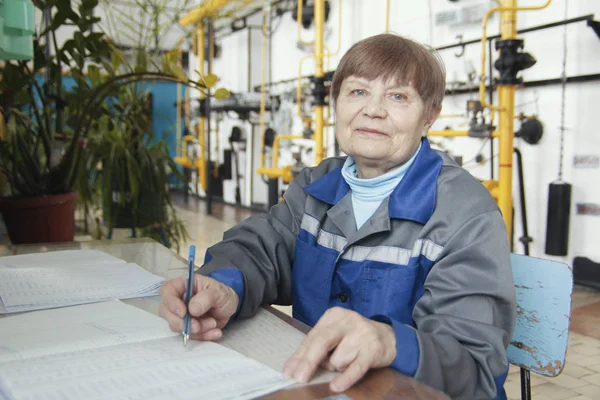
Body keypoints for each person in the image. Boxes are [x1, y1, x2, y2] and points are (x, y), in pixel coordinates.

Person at [159, 33, 516, 400]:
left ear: (429, 115)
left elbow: (475, 369)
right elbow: (264, 248)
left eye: (398, 96)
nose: (373, 110)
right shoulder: (316, 187)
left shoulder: (465, 214)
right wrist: (225, 285)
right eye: (358, 92)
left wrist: (391, 343)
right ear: (335, 104)